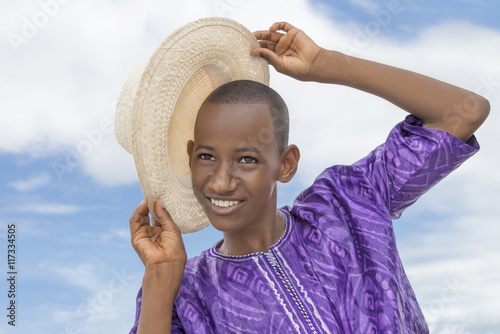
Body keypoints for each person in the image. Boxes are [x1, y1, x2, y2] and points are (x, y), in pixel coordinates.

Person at [128, 22, 489, 333]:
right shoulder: (184, 291)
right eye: (207, 157)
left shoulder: (347, 203)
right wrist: (160, 275)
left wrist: (324, 64)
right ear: (190, 158)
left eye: (247, 159)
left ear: (285, 164)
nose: (221, 182)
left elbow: (463, 113)